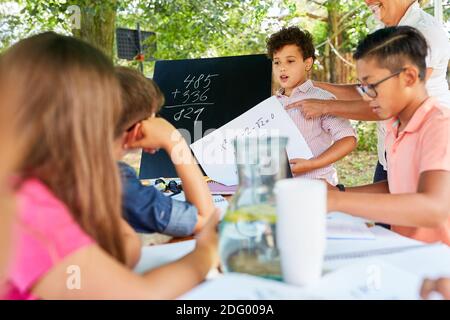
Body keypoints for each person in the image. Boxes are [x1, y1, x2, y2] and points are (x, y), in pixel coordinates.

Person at [1, 32, 218, 300]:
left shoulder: (25, 187)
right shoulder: (32, 209)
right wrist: (207, 252)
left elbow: (111, 257)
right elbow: (140, 296)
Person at [287, 0, 450, 183]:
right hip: (389, 153)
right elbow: (368, 92)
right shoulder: (382, 32)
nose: (366, 1)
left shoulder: (426, 33)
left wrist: (326, 106)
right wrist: (313, 86)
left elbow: (389, 102)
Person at [327, 26, 450, 245]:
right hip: (406, 252)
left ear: (409, 76)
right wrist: (340, 191)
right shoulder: (395, 127)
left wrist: (337, 201)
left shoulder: (440, 126)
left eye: (371, 86)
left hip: (439, 263)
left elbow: (435, 207)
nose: (367, 97)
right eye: (363, 88)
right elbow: (396, 187)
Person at [115, 66, 214, 236]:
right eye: (153, 117)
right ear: (140, 126)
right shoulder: (117, 182)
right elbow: (205, 219)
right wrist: (175, 141)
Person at [267, 26, 357, 186]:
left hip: (318, 186)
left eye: (290, 61)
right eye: (277, 62)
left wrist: (312, 164)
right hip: (281, 188)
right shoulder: (272, 104)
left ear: (307, 63)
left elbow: (348, 139)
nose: (282, 67)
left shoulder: (322, 98)